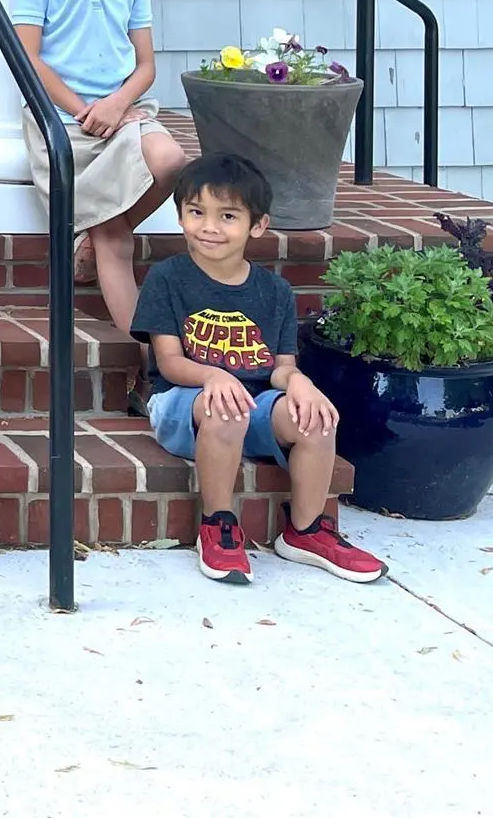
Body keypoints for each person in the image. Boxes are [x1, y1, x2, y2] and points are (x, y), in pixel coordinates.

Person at [131, 154, 385, 585]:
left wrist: (300, 383)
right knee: (225, 409)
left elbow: (280, 368)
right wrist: (214, 376)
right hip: (183, 401)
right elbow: (170, 363)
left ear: (258, 225)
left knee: (315, 420)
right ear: (180, 216)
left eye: (227, 215)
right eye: (196, 212)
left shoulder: (274, 291)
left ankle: (305, 532)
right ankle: (218, 524)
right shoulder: (169, 278)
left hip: (255, 402)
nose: (209, 226)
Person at [10, 0, 188, 331]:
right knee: (114, 239)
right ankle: (146, 361)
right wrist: (85, 111)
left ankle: (102, 230)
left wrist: (117, 103)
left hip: (124, 110)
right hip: (67, 122)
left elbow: (146, 64)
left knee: (172, 161)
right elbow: (28, 58)